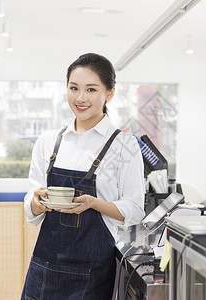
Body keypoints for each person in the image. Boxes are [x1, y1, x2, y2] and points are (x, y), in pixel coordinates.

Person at [21, 53, 145, 300]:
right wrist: (35, 203)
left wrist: (94, 203)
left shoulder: (125, 145)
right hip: (45, 267)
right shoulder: (48, 142)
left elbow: (134, 209)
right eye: (73, 88)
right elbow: (30, 201)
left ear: (109, 93)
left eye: (91, 89)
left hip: (93, 272)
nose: (80, 98)